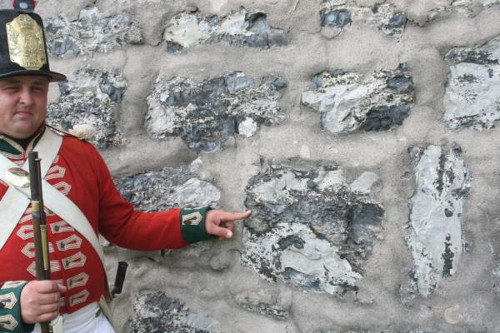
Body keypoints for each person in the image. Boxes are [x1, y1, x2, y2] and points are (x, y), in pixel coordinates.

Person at [0, 9, 251, 333]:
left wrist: (196, 223)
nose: (26, 99)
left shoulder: (80, 153)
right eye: (11, 87)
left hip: (89, 321)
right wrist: (12, 303)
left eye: (37, 87)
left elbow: (122, 225)